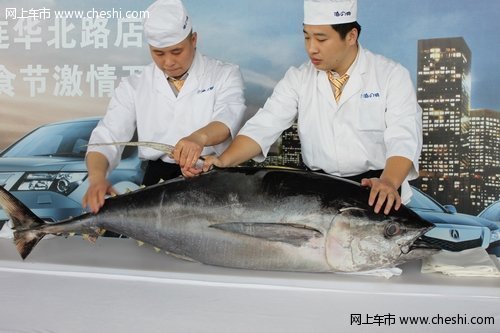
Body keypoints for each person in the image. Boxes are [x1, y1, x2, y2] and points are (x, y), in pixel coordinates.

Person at [200, 0, 422, 215]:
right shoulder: (298, 78)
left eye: (321, 39)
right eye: (307, 37)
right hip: (317, 192)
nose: (311, 48)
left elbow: (403, 136)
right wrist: (223, 160)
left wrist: (389, 181)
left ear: (351, 36)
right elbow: (264, 125)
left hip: (375, 190)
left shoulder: (391, 75)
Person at [83, 0, 246, 213]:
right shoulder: (134, 85)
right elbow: (107, 136)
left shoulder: (225, 74)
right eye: (158, 53)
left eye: (176, 51)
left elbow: (228, 117)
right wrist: (97, 179)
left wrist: (199, 138)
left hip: (212, 176)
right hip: (156, 181)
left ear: (194, 39)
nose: (168, 62)